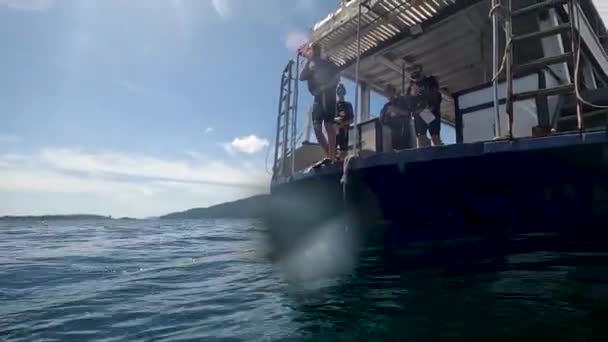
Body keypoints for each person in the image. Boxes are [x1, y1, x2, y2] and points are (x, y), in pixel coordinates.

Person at [299, 43, 341, 166]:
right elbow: (301, 77)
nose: (313, 51)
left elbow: (337, 77)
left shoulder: (328, 63)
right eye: (312, 49)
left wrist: (325, 87)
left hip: (328, 96)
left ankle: (332, 157)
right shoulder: (310, 64)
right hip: (317, 98)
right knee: (317, 128)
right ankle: (330, 154)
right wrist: (308, 61)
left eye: (315, 49)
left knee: (328, 126)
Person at [409, 69, 443, 148]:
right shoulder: (412, 86)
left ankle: (440, 153)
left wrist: (431, 107)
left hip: (429, 111)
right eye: (414, 76)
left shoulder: (430, 81)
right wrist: (413, 94)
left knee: (435, 137)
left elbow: (436, 95)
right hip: (420, 113)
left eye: (417, 74)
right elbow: (409, 102)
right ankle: (426, 155)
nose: (416, 78)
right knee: (421, 139)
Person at [380, 84, 411, 150]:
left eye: (389, 91)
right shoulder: (386, 106)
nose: (388, 94)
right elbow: (381, 119)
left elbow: (408, 113)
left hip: (403, 132)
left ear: (393, 91)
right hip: (393, 135)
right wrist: (386, 114)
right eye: (386, 92)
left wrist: (397, 111)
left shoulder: (402, 100)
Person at [334, 84, 354, 160]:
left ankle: (342, 165)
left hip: (344, 131)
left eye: (342, 89)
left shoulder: (348, 105)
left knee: (344, 150)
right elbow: (328, 118)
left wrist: (343, 124)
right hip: (334, 131)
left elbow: (351, 119)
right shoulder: (334, 105)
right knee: (333, 149)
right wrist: (336, 120)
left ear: (344, 91)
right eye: (339, 89)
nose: (340, 91)